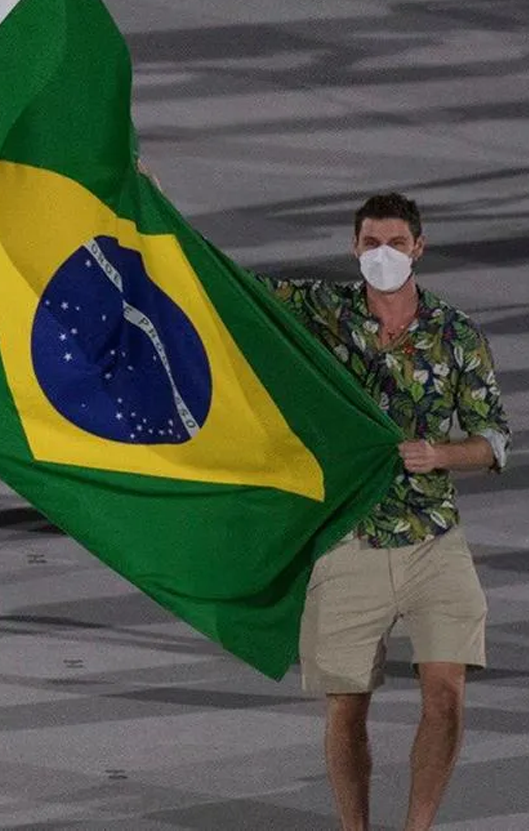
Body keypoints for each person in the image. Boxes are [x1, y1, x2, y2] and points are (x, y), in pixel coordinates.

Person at [259, 193, 510, 831]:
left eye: (396, 244)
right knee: (346, 709)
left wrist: (441, 455)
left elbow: (493, 441)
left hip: (433, 538)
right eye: (371, 243)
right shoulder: (325, 310)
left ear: (419, 249)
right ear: (354, 249)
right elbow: (231, 290)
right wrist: (150, 202)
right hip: (350, 540)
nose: (383, 255)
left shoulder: (456, 334)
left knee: (446, 697)